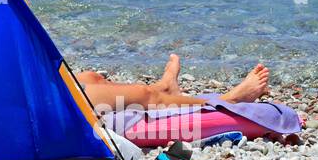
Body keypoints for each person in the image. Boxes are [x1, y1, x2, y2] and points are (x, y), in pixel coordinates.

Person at [78, 53, 269, 116]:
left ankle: (163, 87)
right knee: (143, 94)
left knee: (91, 78)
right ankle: (228, 100)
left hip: (47, 96)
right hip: (48, 109)